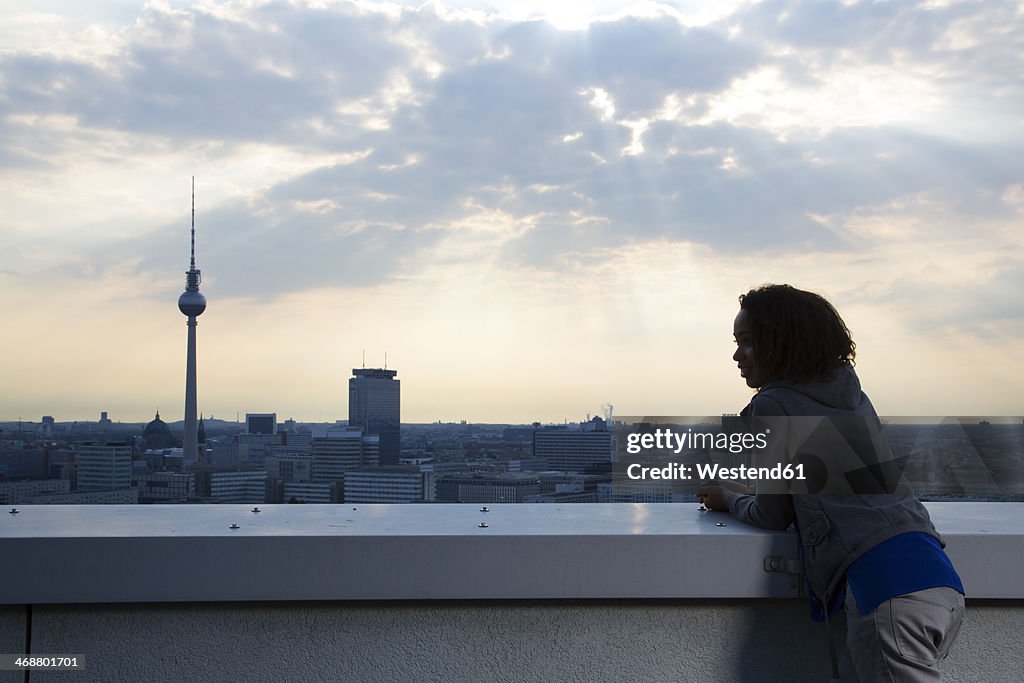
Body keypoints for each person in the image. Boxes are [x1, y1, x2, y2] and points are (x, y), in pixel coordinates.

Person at [697, 284, 965, 682]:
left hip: (887, 592)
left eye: (748, 342)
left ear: (781, 343)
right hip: (937, 579)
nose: (737, 355)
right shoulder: (855, 397)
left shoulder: (774, 404)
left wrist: (730, 499)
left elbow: (773, 514)